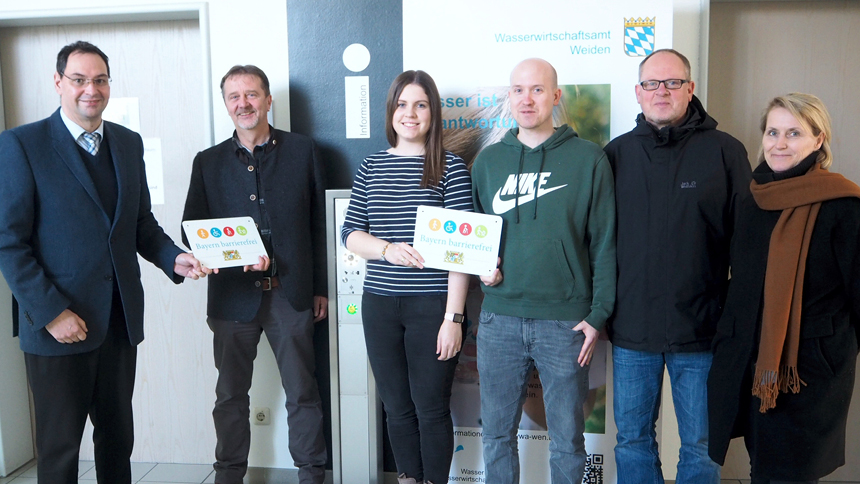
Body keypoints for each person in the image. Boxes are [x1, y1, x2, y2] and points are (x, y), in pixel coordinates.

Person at [0, 41, 208, 484]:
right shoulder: (21, 144)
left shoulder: (127, 144)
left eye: (99, 79)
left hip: (117, 321)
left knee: (117, 441)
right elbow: (8, 242)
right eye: (79, 79)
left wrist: (175, 259)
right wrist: (52, 312)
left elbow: (140, 224)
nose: (90, 89)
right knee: (59, 451)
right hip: (58, 327)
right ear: (59, 83)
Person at [603, 48, 751, 483]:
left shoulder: (727, 153)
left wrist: (733, 316)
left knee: (702, 447)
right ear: (638, 92)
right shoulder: (615, 155)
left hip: (702, 332)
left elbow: (746, 244)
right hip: (632, 331)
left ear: (690, 89)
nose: (661, 91)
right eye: (651, 84)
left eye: (671, 83)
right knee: (631, 441)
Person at [470, 58, 616, 484]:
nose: (527, 98)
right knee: (496, 435)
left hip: (565, 321)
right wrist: (484, 271)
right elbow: (477, 242)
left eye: (537, 89)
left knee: (568, 439)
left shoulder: (589, 160)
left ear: (555, 96)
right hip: (499, 319)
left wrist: (598, 314)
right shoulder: (488, 162)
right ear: (509, 98)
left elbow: (605, 242)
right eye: (518, 90)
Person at [181, 65, 328, 484]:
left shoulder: (304, 151)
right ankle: (228, 476)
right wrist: (229, 254)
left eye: (252, 94)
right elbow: (193, 227)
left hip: (291, 295)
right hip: (231, 298)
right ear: (226, 104)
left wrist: (320, 288)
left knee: (303, 394)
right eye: (234, 96)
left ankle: (311, 475)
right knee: (229, 396)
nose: (243, 103)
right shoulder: (207, 162)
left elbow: (320, 224)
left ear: (267, 99)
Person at [708, 93, 860, 484]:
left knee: (793, 474)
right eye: (772, 132)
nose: (779, 143)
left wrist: (832, 356)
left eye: (793, 133)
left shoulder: (843, 204)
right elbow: (741, 279)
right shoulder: (754, 199)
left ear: (818, 139)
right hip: (753, 365)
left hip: (807, 372)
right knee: (763, 468)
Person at [341, 70, 472, 484]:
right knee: (395, 407)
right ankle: (408, 478)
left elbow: (462, 254)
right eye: (402, 104)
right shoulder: (371, 166)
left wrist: (454, 318)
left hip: (432, 307)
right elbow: (349, 234)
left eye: (420, 105)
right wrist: (385, 249)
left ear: (432, 113)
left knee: (431, 407)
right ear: (390, 111)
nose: (410, 114)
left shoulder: (450, 167)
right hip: (379, 304)